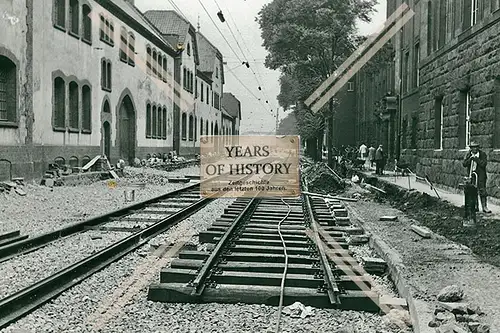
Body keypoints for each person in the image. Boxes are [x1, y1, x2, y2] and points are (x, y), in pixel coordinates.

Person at [463, 141, 492, 213]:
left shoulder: (482, 154)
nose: (474, 149)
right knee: (473, 191)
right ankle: (475, 207)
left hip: (481, 175)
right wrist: (470, 159)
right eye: (473, 147)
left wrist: (476, 159)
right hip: (472, 175)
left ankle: (484, 207)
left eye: (476, 147)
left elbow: (483, 164)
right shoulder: (468, 154)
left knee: (482, 191)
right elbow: (464, 164)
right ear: (471, 148)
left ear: (478, 148)